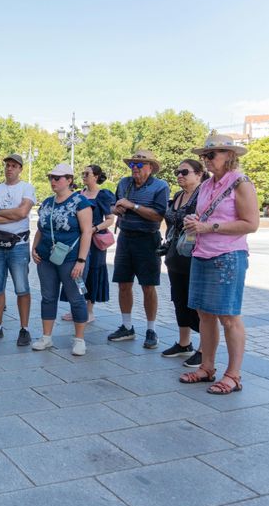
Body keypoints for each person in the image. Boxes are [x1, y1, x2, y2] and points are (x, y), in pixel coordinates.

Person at [180, 134, 259, 395]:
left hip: (227, 256)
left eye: (211, 155)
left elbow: (251, 224)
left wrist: (209, 226)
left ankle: (233, 375)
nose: (207, 160)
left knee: (229, 316)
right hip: (202, 253)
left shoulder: (241, 183)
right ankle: (207, 367)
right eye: (204, 156)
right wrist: (195, 221)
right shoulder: (205, 185)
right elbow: (205, 215)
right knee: (204, 314)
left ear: (229, 155)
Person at [108, 149, 170, 349]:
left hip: (147, 240)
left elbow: (158, 216)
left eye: (140, 164)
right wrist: (115, 208)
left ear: (150, 168)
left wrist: (132, 206)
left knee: (148, 286)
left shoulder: (161, 186)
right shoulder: (124, 183)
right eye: (132, 164)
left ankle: (151, 329)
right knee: (123, 284)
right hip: (125, 238)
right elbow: (115, 205)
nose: (134, 168)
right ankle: (127, 326)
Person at [31, 164, 93, 355]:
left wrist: (81, 261)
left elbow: (86, 232)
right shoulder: (48, 202)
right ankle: (46, 337)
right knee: (48, 297)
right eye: (51, 177)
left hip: (71, 258)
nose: (53, 181)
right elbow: (41, 229)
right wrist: (34, 248)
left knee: (76, 298)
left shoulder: (80, 202)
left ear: (69, 180)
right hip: (46, 258)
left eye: (57, 178)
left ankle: (79, 339)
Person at [0, 154, 37, 346]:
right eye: (7, 165)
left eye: (14, 166)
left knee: (22, 288)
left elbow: (23, 212)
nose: (9, 168)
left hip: (18, 245)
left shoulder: (27, 188)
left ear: (20, 168)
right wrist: (11, 216)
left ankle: (24, 329)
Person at [161, 159, 206, 366]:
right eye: (177, 171)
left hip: (195, 254)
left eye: (184, 172)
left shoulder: (203, 195)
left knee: (196, 302)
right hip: (175, 254)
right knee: (178, 299)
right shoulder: (178, 195)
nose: (179, 175)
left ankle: (204, 348)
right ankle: (184, 342)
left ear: (199, 174)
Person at [61, 165, 115, 323]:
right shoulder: (78, 195)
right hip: (79, 240)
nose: (83, 176)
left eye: (87, 174)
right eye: (82, 173)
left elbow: (110, 219)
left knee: (92, 273)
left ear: (96, 176)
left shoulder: (103, 195)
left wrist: (94, 229)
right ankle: (78, 308)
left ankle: (89, 310)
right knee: (77, 273)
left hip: (95, 243)